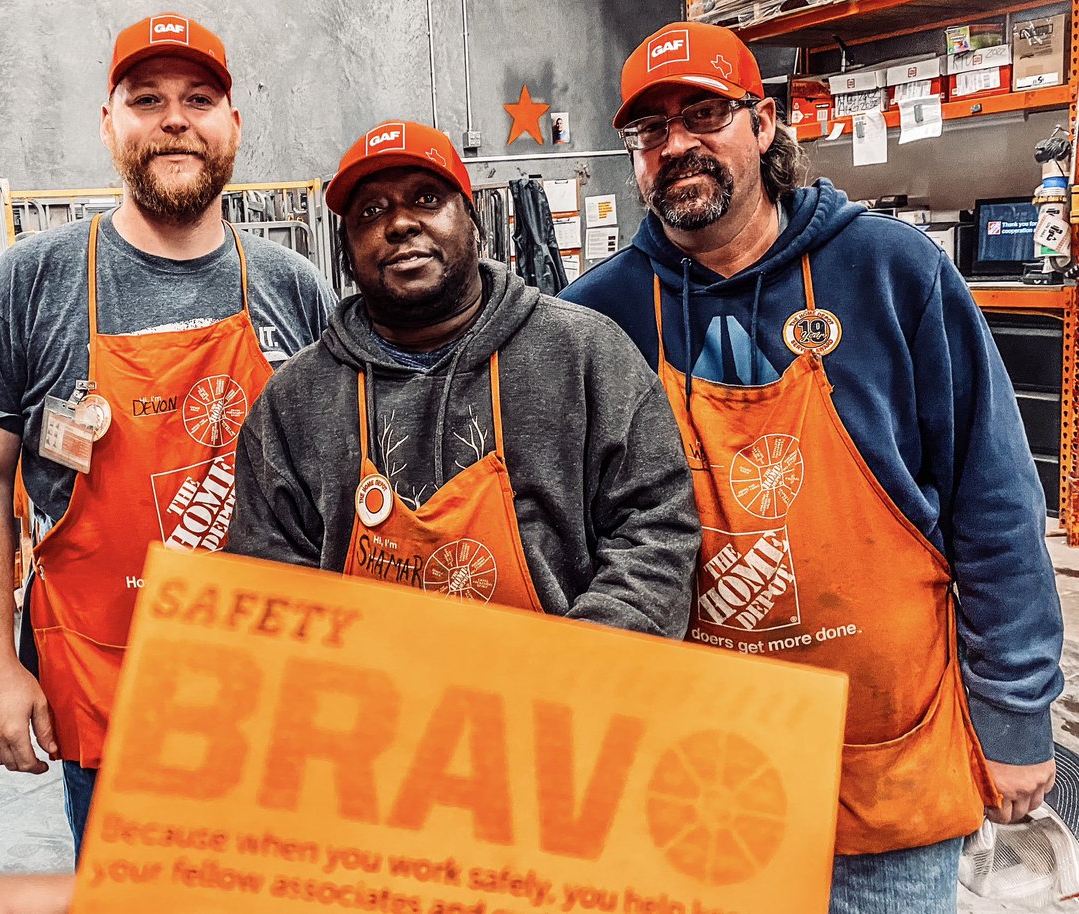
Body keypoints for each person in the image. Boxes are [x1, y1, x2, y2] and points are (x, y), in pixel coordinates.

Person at [559, 20, 1065, 913]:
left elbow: (993, 503)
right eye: (651, 129)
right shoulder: (594, 320)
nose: (677, 144)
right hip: (697, 775)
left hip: (884, 766)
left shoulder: (891, 270)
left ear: (762, 125)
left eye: (703, 113)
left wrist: (1016, 713)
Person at [0, 11, 333, 857]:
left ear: (233, 124)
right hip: (107, 686)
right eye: (145, 98)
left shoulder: (292, 288)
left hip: (271, 695)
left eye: (200, 98)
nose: (174, 120)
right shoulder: (30, 283)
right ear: (108, 122)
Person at [227, 120, 699, 634]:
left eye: (427, 199)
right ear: (346, 252)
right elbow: (268, 575)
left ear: (474, 224)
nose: (401, 223)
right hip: (366, 704)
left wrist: (576, 674)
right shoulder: (295, 401)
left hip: (558, 701)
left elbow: (655, 530)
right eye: (371, 211)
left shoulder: (585, 354)